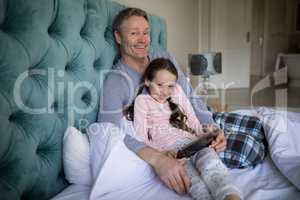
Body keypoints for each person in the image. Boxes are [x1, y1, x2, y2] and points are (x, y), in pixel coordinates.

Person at [98, 7, 227, 195]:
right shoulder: (116, 81)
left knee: (250, 134)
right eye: (134, 34)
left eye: (146, 33)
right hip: (168, 146)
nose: (143, 40)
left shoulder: (163, 57)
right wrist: (158, 159)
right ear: (118, 37)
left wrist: (213, 127)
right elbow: (108, 132)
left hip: (191, 134)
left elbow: (191, 97)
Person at [124, 58, 241, 200]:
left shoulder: (177, 91)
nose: (165, 91)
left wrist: (206, 133)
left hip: (192, 142)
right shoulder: (142, 101)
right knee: (193, 182)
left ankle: (232, 197)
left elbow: (192, 119)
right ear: (148, 81)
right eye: (160, 85)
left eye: (170, 86)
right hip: (172, 152)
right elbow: (141, 137)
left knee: (212, 166)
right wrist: (162, 154)